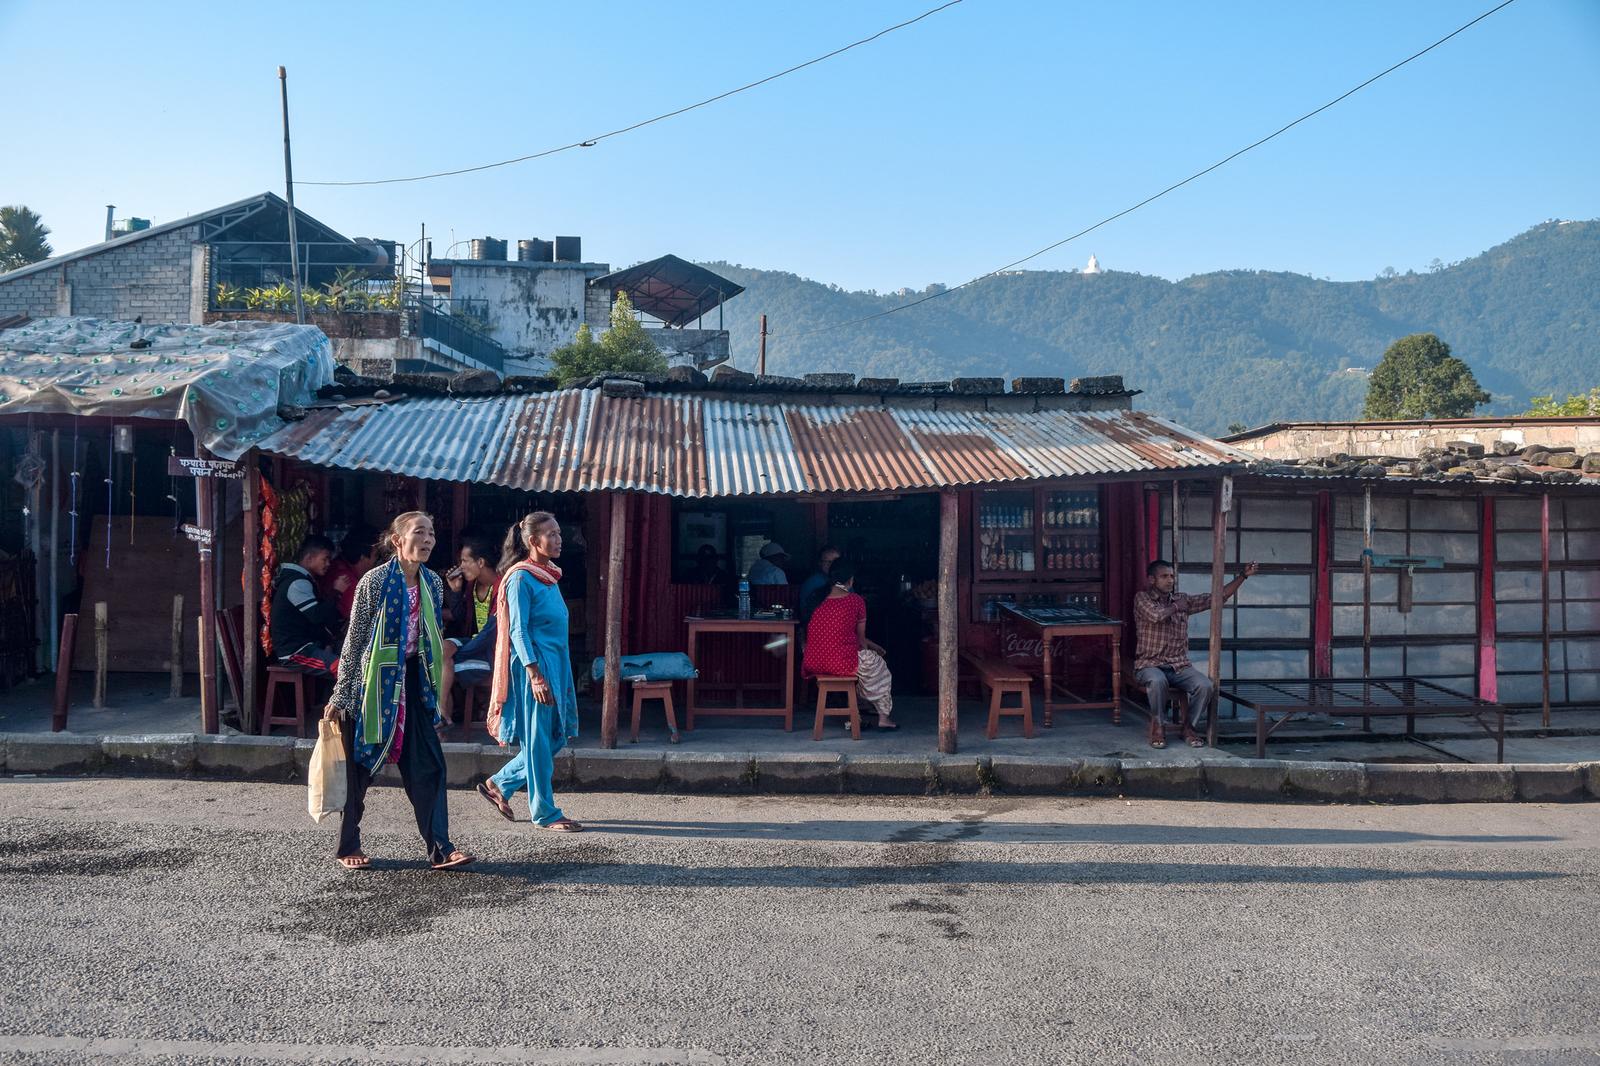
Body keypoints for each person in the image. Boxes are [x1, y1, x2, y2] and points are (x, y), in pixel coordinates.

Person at [323, 512, 472, 871]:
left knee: (429, 766)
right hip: (373, 683)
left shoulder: (432, 583)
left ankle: (441, 848)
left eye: (432, 533)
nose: (428, 539)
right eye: (419, 532)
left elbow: (430, 634)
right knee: (358, 770)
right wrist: (343, 693)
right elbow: (355, 639)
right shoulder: (373, 582)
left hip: (414, 682)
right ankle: (348, 845)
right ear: (397, 541)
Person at [476, 512, 583, 832]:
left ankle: (500, 783)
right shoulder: (521, 578)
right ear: (533, 541)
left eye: (559, 533)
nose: (559, 539)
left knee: (556, 736)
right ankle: (545, 812)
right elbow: (518, 632)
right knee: (538, 741)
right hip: (534, 668)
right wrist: (535, 674)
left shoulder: (548, 575)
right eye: (551, 534)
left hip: (557, 665)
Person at [1134, 558, 1258, 749]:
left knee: (1205, 686)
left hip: (1179, 665)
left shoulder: (1182, 599)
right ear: (1152, 580)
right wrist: (1176, 607)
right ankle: (1159, 726)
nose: (1170, 580)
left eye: (1172, 576)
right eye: (1164, 576)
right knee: (1158, 681)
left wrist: (1242, 576)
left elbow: (1218, 597)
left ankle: (1188, 727)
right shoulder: (1142, 598)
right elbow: (1156, 616)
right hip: (1149, 664)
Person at [801, 560, 896, 731]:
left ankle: (856, 717)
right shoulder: (855, 600)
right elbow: (860, 640)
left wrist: (873, 646)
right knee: (878, 666)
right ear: (851, 580)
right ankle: (884, 718)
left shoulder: (816, 598)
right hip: (840, 662)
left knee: (863, 664)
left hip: (813, 661)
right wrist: (873, 653)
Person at [438, 535, 500, 723]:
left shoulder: (501, 587)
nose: (461, 566)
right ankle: (442, 712)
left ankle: (441, 717)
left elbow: (490, 635)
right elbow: (460, 617)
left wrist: (462, 653)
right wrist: (456, 591)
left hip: (491, 653)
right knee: (442, 649)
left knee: (442, 667)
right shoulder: (472, 586)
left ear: (480, 562)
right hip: (475, 643)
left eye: (465, 561)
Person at [270, 534, 340, 675]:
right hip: (296, 653)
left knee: (351, 658)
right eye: (325, 559)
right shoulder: (297, 583)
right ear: (309, 559)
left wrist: (327, 643)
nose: (328, 564)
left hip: (308, 646)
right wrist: (336, 592)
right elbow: (317, 616)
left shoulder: (304, 580)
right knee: (344, 668)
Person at [325, 525, 377, 622]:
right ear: (363, 557)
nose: (376, 561)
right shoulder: (346, 580)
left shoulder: (337, 564)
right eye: (375, 556)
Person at [798, 544, 841, 622]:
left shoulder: (845, 581)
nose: (831, 565)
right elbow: (804, 612)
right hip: (819, 626)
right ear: (820, 563)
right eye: (827, 561)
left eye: (835, 562)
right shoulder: (811, 583)